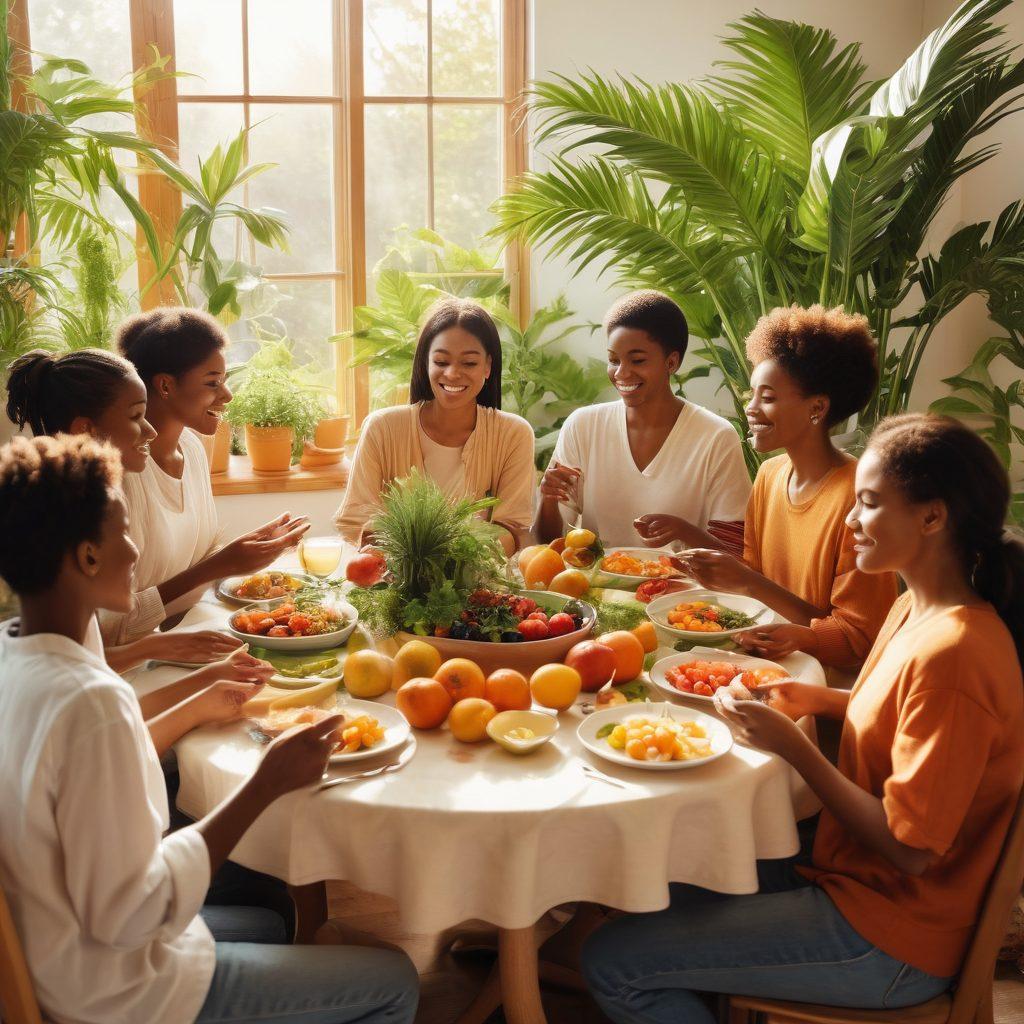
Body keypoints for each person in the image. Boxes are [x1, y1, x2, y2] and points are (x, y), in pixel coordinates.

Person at [581, 413, 1024, 1023]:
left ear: (931, 516)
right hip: (850, 876)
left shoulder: (957, 655)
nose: (849, 520)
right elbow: (899, 719)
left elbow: (910, 849)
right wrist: (812, 699)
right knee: (657, 874)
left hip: (893, 933)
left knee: (614, 960)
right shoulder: (914, 608)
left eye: (867, 504)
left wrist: (795, 749)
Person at [0, 433, 419, 1024]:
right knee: (395, 980)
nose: (135, 547)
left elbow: (83, 779)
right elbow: (132, 915)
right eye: (123, 530)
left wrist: (200, 702)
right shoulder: (90, 702)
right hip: (111, 992)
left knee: (272, 910)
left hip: (55, 940)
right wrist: (265, 784)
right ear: (88, 557)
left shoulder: (13, 657)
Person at [6, 344, 306, 673]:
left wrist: (238, 556)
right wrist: (158, 644)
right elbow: (75, 659)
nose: (150, 429)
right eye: (136, 416)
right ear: (86, 430)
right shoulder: (65, 519)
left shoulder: (94, 498)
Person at [676, 305, 898, 667]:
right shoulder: (769, 476)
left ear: (817, 408)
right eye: (752, 395)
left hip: (824, 686)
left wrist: (747, 581)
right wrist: (723, 575)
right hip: (764, 663)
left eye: (768, 397)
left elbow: (859, 642)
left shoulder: (859, 496)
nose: (751, 408)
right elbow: (759, 588)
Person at [112, 309, 309, 652]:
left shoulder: (192, 447)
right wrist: (224, 563)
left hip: (191, 634)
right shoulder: (124, 476)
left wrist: (251, 549)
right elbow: (115, 626)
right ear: (165, 385)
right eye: (212, 382)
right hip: (138, 656)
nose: (227, 395)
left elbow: (194, 561)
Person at [535, 290, 750, 551]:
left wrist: (684, 532)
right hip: (598, 589)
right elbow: (548, 542)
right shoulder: (583, 426)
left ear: (671, 362)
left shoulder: (715, 436)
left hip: (683, 590)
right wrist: (548, 498)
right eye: (613, 360)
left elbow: (734, 549)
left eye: (637, 360)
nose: (621, 373)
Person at [335, 298, 535, 554]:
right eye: (441, 362)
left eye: (469, 363)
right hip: (395, 582)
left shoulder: (514, 434)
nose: (452, 374)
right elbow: (356, 520)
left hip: (479, 584)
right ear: (425, 363)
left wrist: (451, 560)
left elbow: (512, 527)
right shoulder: (381, 428)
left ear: (488, 366)